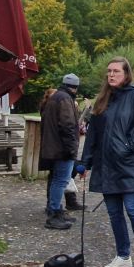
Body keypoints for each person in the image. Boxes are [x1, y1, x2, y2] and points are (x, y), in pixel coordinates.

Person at [80, 57, 134, 267]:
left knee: (133, 209)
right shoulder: (102, 100)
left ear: (126, 74)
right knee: (114, 213)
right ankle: (123, 257)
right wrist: (85, 162)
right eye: (109, 71)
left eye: (115, 71)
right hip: (105, 166)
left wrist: (129, 146)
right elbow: (92, 135)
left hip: (128, 164)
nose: (111, 75)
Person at [39, 74, 81, 230]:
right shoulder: (65, 99)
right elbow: (68, 126)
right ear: (76, 87)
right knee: (61, 180)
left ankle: (55, 210)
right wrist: (71, 149)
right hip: (61, 149)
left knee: (57, 179)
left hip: (53, 147)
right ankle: (54, 214)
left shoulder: (56, 96)